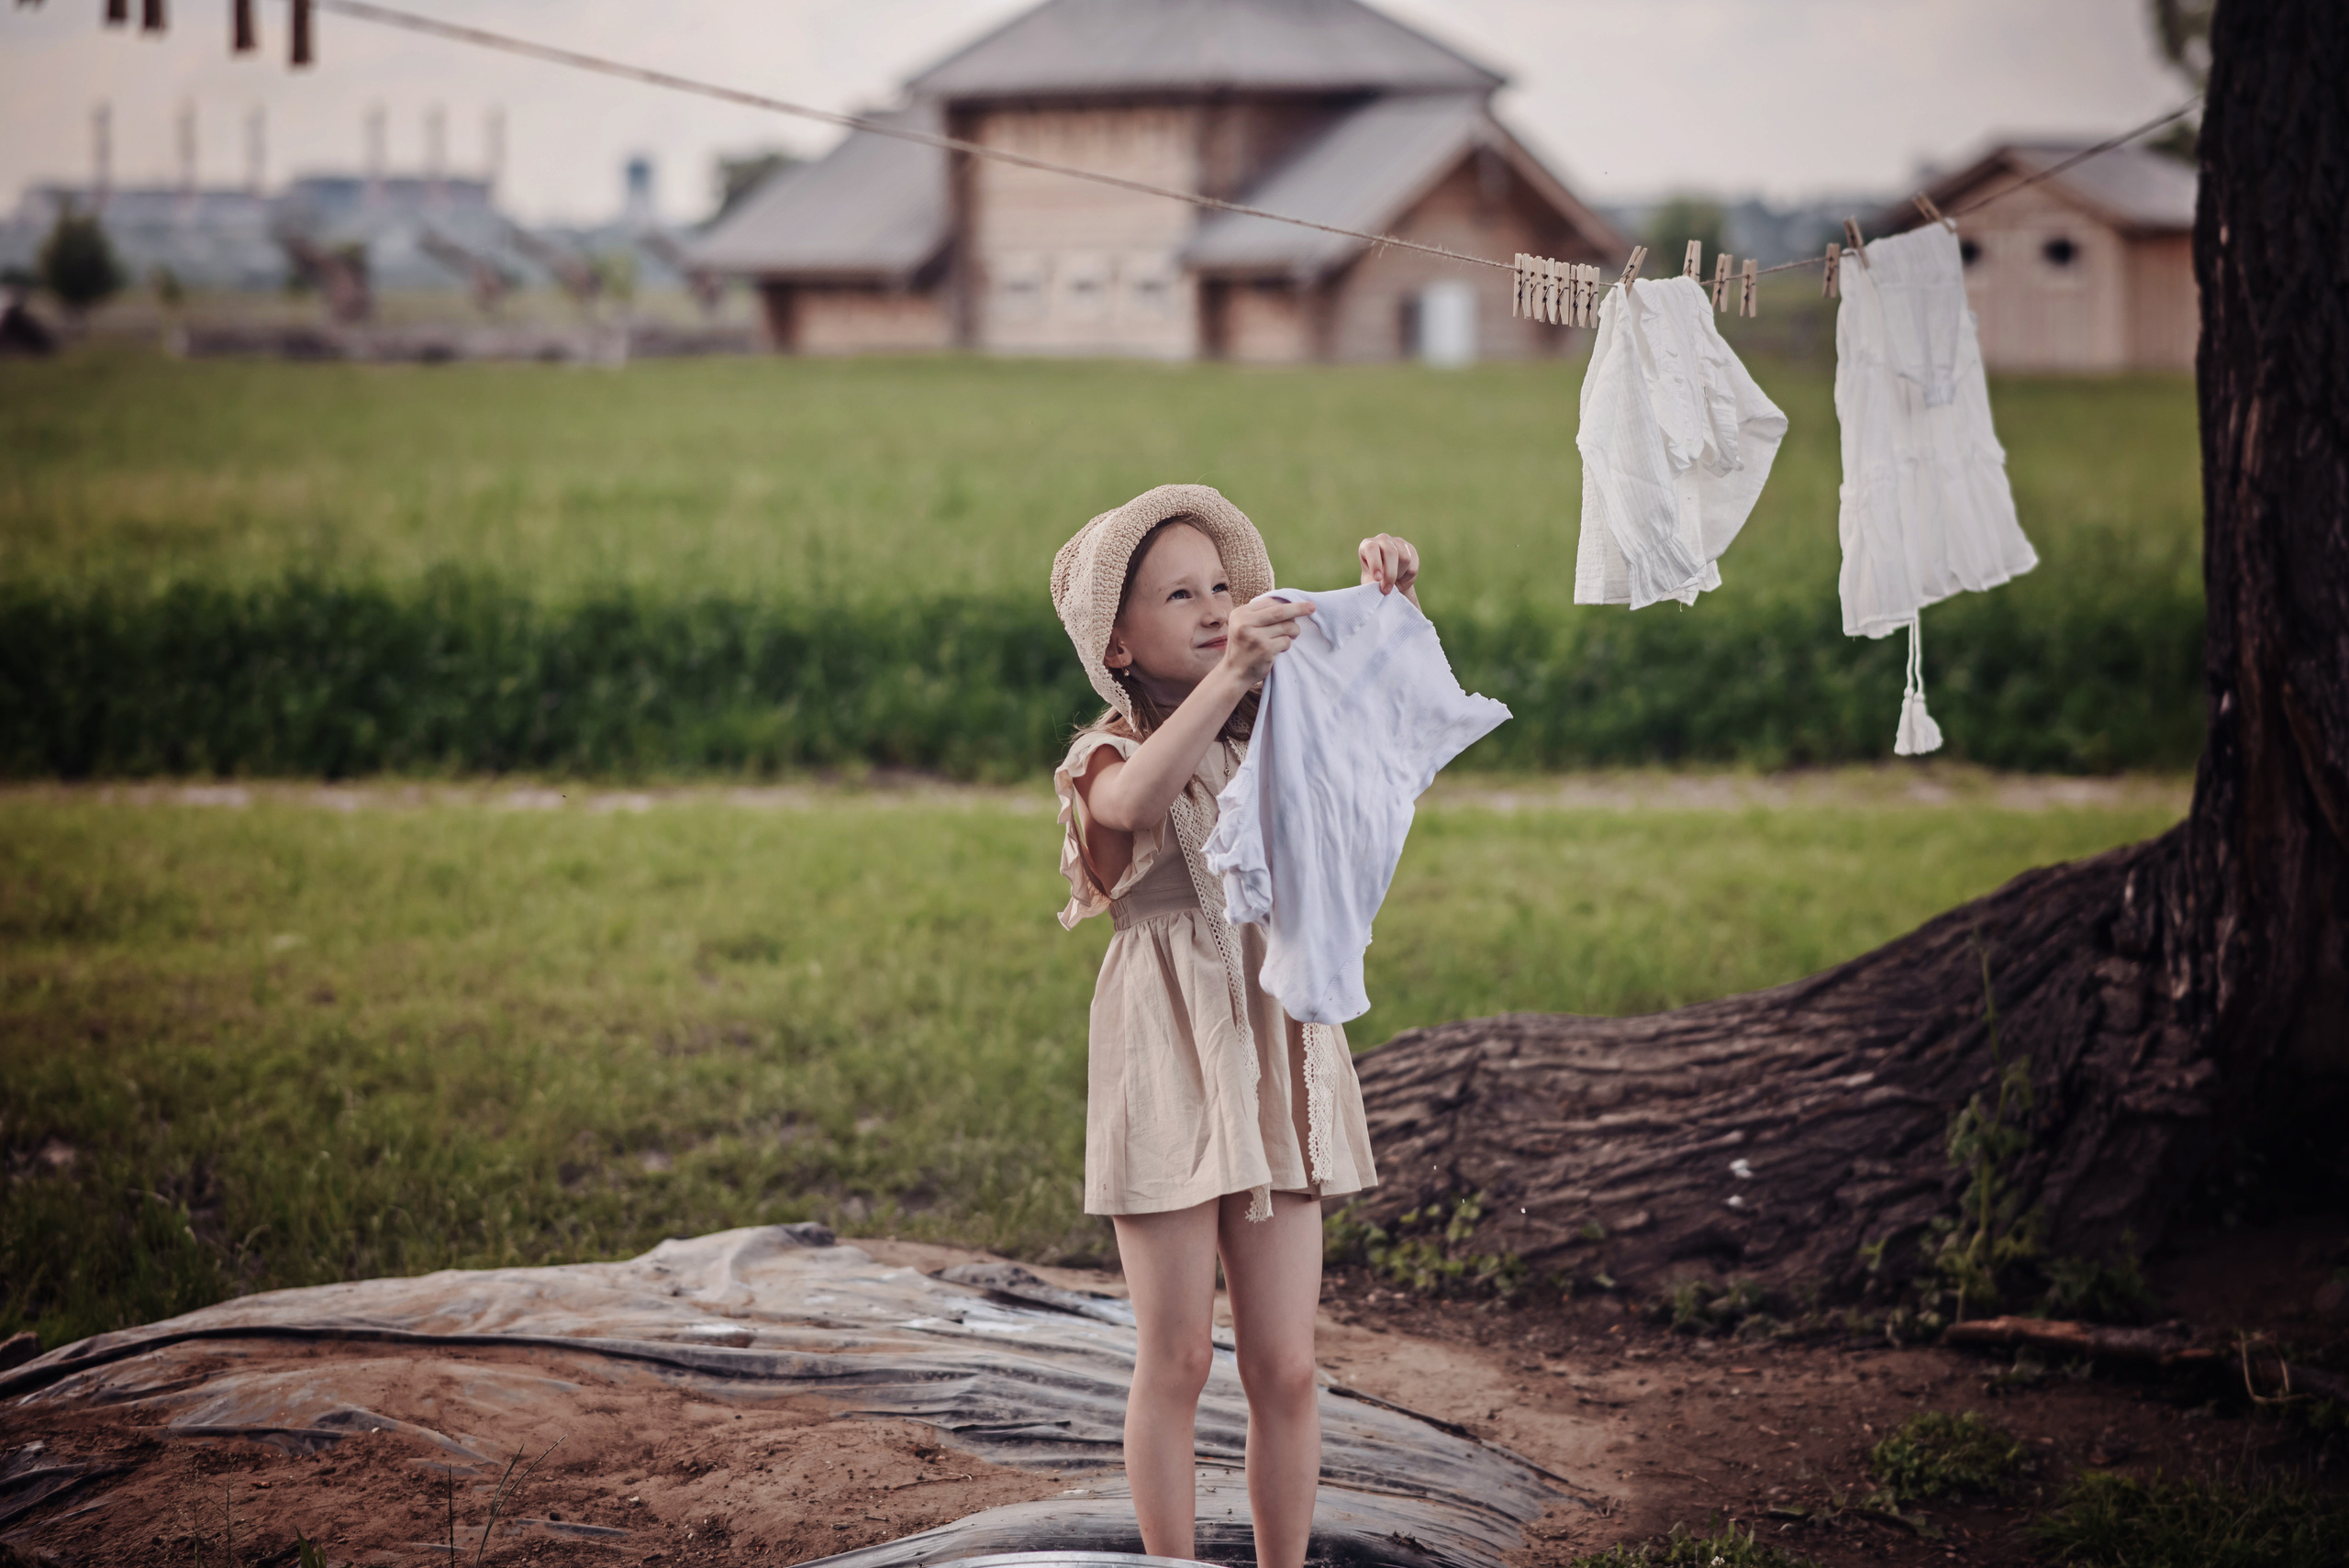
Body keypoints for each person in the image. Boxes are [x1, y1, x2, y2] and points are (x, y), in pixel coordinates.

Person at [1047, 484, 1418, 1568]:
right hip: (1164, 1051)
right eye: (1179, 593)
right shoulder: (1104, 755)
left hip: (1277, 1044)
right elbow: (1132, 811)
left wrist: (1381, 594)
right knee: (1175, 1358)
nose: (1214, 606)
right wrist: (1232, 673)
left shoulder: (1274, 724)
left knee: (1286, 1363)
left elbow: (1375, 709)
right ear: (1117, 642)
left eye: (1223, 586)